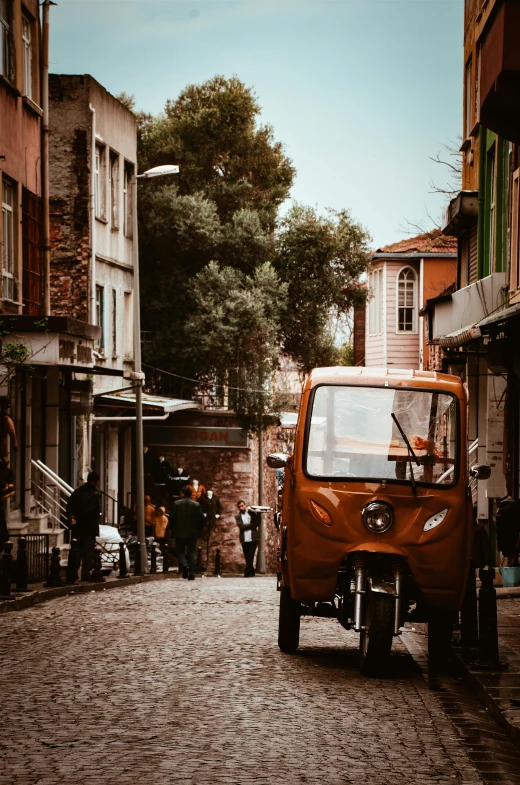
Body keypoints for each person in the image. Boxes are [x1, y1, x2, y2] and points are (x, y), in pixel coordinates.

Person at [66, 471, 101, 581]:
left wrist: (73, 517)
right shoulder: (94, 495)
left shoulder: (77, 492)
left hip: (77, 527)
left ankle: (73, 573)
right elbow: (90, 511)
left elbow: (69, 507)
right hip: (89, 527)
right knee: (87, 552)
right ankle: (85, 574)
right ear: (96, 482)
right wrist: (79, 518)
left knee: (76, 550)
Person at [170, 486, 205, 580]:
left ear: (182, 493)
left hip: (179, 532)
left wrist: (172, 530)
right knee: (192, 552)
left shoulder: (176, 504)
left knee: (180, 551)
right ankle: (192, 573)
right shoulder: (196, 504)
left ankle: (185, 565)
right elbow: (202, 519)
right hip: (192, 533)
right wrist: (199, 529)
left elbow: (172, 518)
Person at [235, 500, 261, 577]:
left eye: (242, 506)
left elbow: (257, 523)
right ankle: (251, 570)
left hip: (253, 538)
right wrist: (251, 525)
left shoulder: (251, 514)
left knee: (251, 554)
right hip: (244, 539)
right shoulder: (238, 516)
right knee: (247, 555)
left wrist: (258, 514)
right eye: (239, 506)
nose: (241, 508)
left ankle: (247, 571)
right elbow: (241, 527)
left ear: (245, 505)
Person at [0, 397, 17, 462]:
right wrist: (15, 445)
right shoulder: (7, 420)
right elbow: (12, 433)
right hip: (3, 443)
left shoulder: (7, 419)